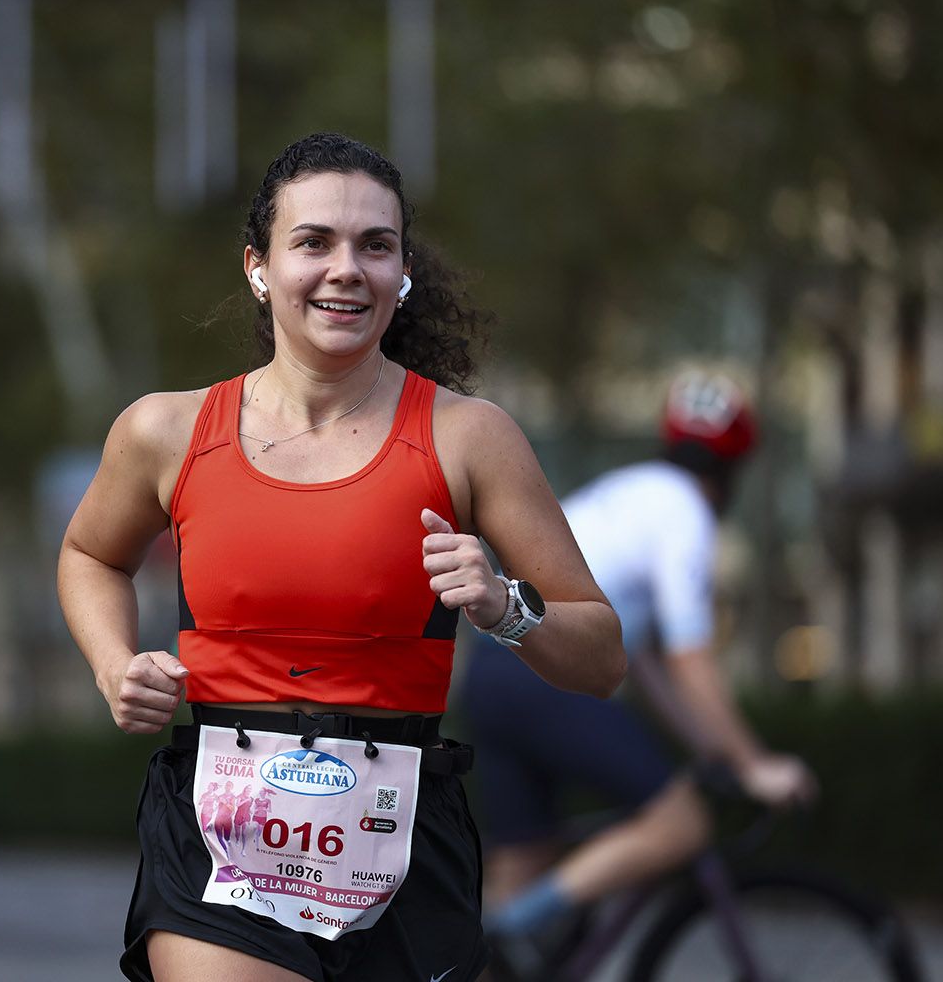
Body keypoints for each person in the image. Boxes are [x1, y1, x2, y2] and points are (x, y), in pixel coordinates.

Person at [57, 132, 624, 982]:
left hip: (402, 837)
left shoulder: (470, 437)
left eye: (376, 244)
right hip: (223, 830)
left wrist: (506, 606)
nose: (346, 267)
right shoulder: (165, 431)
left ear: (402, 273)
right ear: (259, 266)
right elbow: (89, 554)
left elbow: (602, 655)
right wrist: (111, 664)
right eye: (314, 242)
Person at [458, 370, 819, 964]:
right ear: (732, 473)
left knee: (523, 863)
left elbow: (645, 666)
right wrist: (754, 764)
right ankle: (502, 931)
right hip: (546, 674)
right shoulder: (688, 516)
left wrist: (712, 752)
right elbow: (690, 661)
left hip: (494, 671)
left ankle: (497, 935)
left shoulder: (633, 490)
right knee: (683, 826)